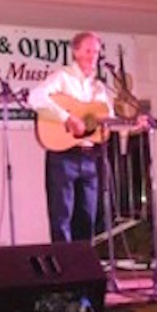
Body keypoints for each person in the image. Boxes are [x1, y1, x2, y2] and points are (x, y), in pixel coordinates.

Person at [28, 31, 114, 243]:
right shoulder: (63, 77)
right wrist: (67, 118)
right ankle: (63, 264)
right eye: (88, 51)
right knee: (61, 218)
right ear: (75, 52)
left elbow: (108, 120)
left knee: (87, 218)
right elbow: (35, 97)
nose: (92, 56)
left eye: (96, 52)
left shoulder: (99, 87)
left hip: (90, 157)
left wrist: (132, 123)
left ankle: (83, 262)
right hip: (63, 156)